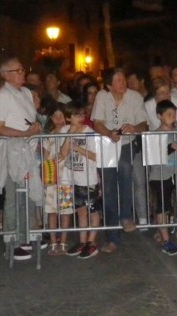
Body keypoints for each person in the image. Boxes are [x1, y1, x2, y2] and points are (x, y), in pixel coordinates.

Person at [91, 68, 147, 253]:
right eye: (118, 80)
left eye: (124, 79)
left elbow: (144, 123)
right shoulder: (102, 96)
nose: (123, 83)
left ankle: (126, 215)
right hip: (107, 145)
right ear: (109, 85)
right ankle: (112, 237)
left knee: (124, 168)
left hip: (127, 143)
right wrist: (109, 133)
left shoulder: (136, 97)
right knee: (108, 190)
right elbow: (97, 122)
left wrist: (134, 127)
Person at [0, 57, 43, 261]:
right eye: (19, 70)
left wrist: (35, 128)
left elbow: (30, 119)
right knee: (13, 196)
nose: (23, 73)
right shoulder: (3, 95)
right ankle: (11, 240)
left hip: (27, 150)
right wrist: (24, 134)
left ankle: (27, 234)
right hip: (13, 151)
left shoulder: (26, 93)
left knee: (28, 194)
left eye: (23, 69)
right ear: (6, 74)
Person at [148, 100, 177, 256]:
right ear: (159, 116)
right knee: (163, 206)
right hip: (160, 174)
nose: (172, 117)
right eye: (168, 114)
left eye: (174, 114)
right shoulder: (154, 134)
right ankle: (166, 241)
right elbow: (152, 157)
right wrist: (169, 149)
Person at [59, 101, 102, 259]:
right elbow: (63, 153)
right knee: (81, 212)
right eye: (76, 114)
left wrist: (78, 148)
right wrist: (70, 134)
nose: (80, 117)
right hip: (72, 179)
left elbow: (96, 155)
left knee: (92, 211)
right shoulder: (65, 130)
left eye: (81, 114)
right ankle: (83, 241)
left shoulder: (89, 132)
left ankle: (92, 242)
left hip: (88, 179)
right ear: (68, 117)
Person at [41, 103, 70, 255]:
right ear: (51, 118)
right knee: (52, 211)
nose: (59, 119)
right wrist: (45, 178)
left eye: (61, 115)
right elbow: (45, 157)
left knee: (65, 211)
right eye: (55, 116)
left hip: (66, 178)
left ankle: (63, 242)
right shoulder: (49, 136)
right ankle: (53, 242)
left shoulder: (70, 134)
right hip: (52, 177)